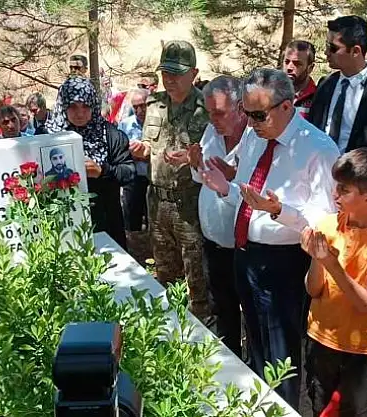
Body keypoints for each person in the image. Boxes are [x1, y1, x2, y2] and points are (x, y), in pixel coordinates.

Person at [199, 68, 340, 408]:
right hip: (245, 253)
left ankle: (282, 408)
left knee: (281, 352)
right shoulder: (254, 136)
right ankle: (260, 406)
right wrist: (226, 188)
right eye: (246, 113)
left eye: (258, 115)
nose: (251, 122)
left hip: (285, 263)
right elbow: (249, 193)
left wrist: (280, 210)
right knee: (257, 343)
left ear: (287, 106)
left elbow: (327, 222)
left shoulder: (318, 148)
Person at [301, 148, 367, 417]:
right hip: (321, 338)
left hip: (361, 350)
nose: (335, 195)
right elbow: (313, 289)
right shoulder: (327, 225)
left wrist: (331, 263)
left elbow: (366, 302)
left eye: (344, 190)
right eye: (336, 187)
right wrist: (317, 258)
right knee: (320, 409)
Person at [131, 41, 211, 320]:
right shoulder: (154, 104)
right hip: (157, 203)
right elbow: (148, 145)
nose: (170, 79)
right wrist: (141, 150)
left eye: (177, 73)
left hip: (190, 203)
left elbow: (220, 154)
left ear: (194, 73)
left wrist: (193, 159)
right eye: (165, 72)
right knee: (166, 276)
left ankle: (202, 333)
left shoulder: (207, 107)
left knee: (196, 277)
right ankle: (172, 329)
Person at [188, 75, 248, 357]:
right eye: (210, 112)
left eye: (220, 113)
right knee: (221, 306)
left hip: (244, 245)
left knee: (249, 308)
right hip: (213, 241)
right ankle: (229, 358)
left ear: (240, 108)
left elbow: (262, 190)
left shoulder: (255, 138)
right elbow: (202, 178)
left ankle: (254, 366)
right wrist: (195, 164)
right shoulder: (212, 132)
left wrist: (233, 176)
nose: (213, 119)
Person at [46, 76, 135, 249]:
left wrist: (102, 172)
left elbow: (129, 172)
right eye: (73, 106)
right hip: (64, 225)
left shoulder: (109, 135)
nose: (80, 113)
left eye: (85, 106)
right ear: (63, 106)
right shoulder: (48, 137)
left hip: (106, 222)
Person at [308, 16, 367, 154]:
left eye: (333, 48)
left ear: (355, 51)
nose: (326, 53)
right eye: (327, 46)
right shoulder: (325, 84)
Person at [119, 89, 150, 234]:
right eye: (135, 107)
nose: (139, 111)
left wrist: (148, 155)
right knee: (132, 222)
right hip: (133, 179)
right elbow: (118, 152)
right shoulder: (125, 125)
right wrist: (135, 156)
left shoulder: (160, 123)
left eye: (143, 106)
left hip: (154, 179)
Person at [282, 40, 318, 117]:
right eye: (287, 62)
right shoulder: (273, 93)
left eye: (297, 64)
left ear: (310, 68)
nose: (289, 68)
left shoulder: (318, 98)